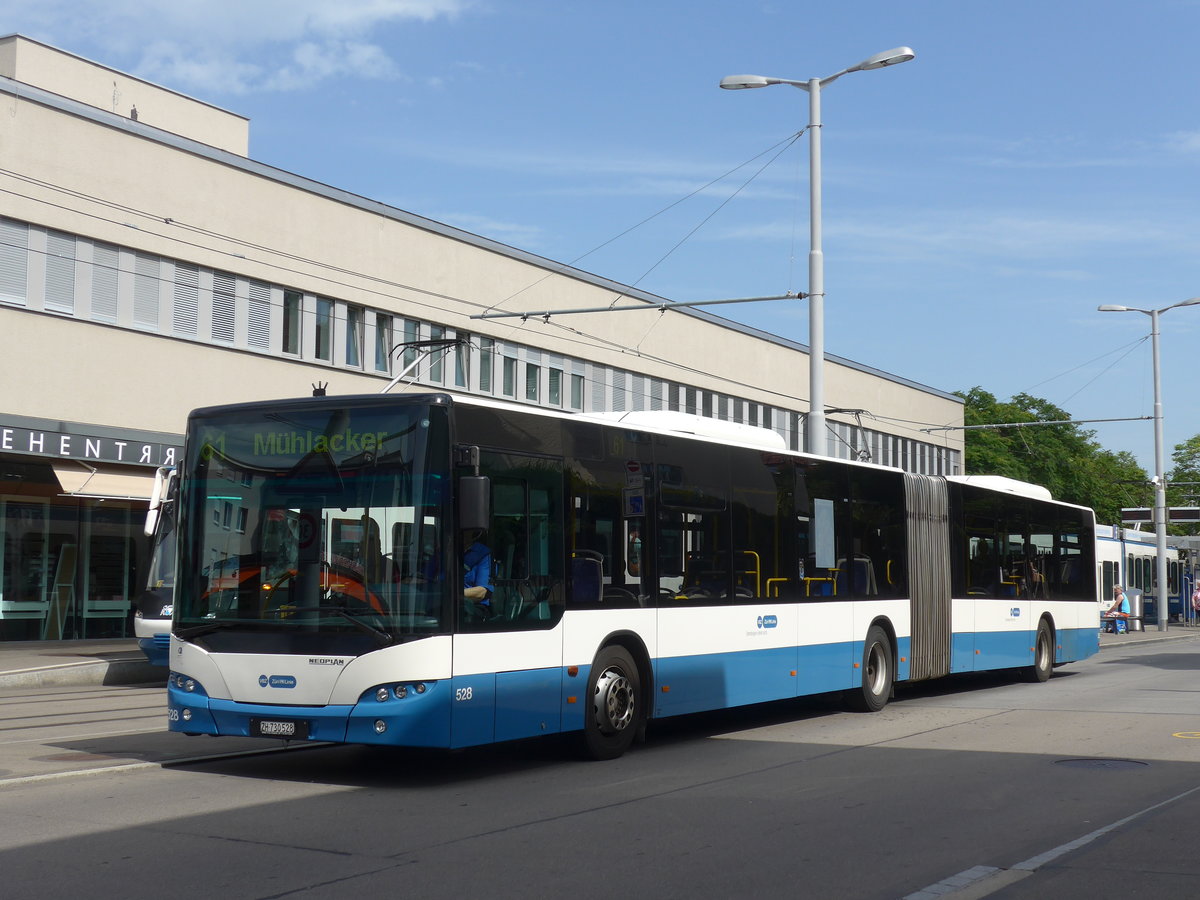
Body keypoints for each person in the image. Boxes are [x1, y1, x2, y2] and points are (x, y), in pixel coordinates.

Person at [462, 529, 494, 611]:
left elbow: (481, 592)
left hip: (472, 608)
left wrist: (452, 594)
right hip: (439, 606)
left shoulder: (483, 554)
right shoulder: (442, 550)